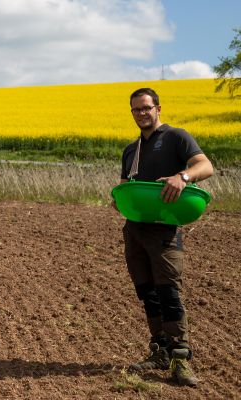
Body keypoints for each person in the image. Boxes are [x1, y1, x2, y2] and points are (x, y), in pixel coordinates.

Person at [116, 88, 213, 386]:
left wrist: (182, 177)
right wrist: (120, 199)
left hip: (164, 228)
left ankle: (180, 358)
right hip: (135, 229)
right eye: (136, 109)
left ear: (158, 108)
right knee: (147, 292)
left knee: (168, 291)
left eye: (146, 108)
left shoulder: (176, 137)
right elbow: (125, 185)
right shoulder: (131, 150)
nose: (142, 113)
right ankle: (159, 350)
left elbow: (205, 166)